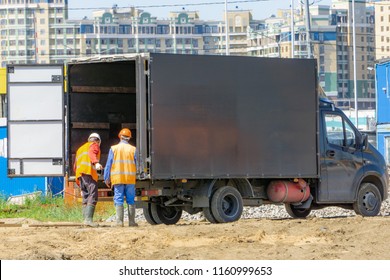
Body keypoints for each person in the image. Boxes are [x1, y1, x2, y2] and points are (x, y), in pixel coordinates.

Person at [104, 128, 138, 227]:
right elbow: (137, 164)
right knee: (131, 199)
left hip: (118, 178)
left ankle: (119, 222)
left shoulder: (114, 148)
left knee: (118, 198)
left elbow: (108, 164)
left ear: (120, 136)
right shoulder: (133, 149)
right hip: (130, 178)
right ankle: (132, 222)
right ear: (129, 138)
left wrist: (107, 178)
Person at [74, 133, 103, 227]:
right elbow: (92, 153)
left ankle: (85, 220)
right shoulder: (94, 145)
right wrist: (96, 163)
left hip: (81, 175)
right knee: (93, 195)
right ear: (98, 141)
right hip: (89, 173)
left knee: (86, 196)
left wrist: (78, 179)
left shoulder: (80, 149)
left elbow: (75, 165)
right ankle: (88, 220)